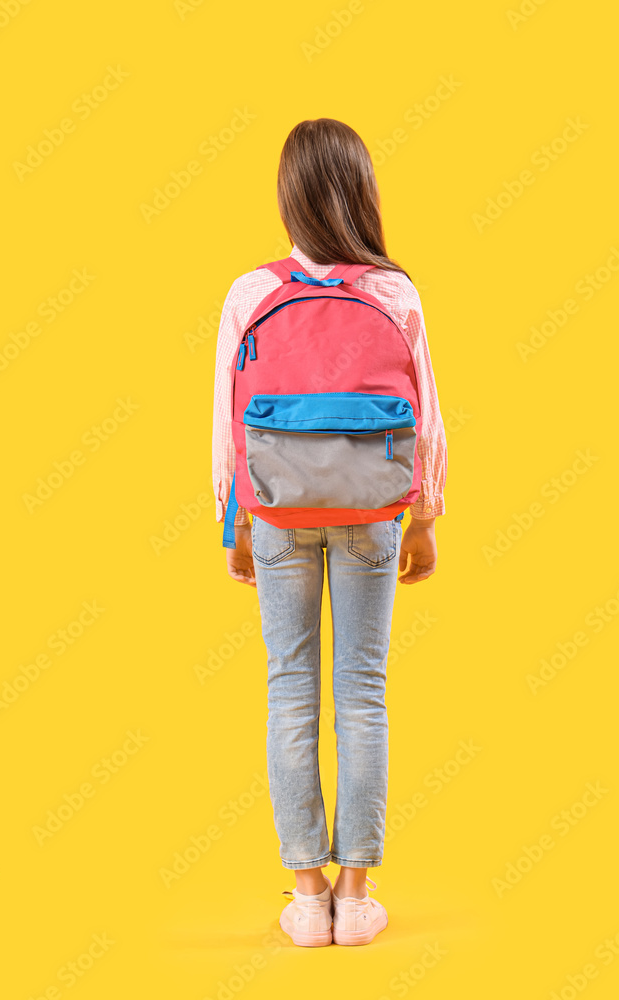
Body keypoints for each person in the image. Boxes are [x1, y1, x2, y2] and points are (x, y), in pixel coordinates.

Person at [211, 118, 447, 946]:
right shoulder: (395, 293)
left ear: (287, 195)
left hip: (275, 508)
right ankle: (357, 892)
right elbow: (428, 423)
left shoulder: (250, 292)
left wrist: (233, 519)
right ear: (363, 192)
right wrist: (423, 515)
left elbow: (225, 424)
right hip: (372, 512)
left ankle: (306, 896)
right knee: (363, 690)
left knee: (290, 689)